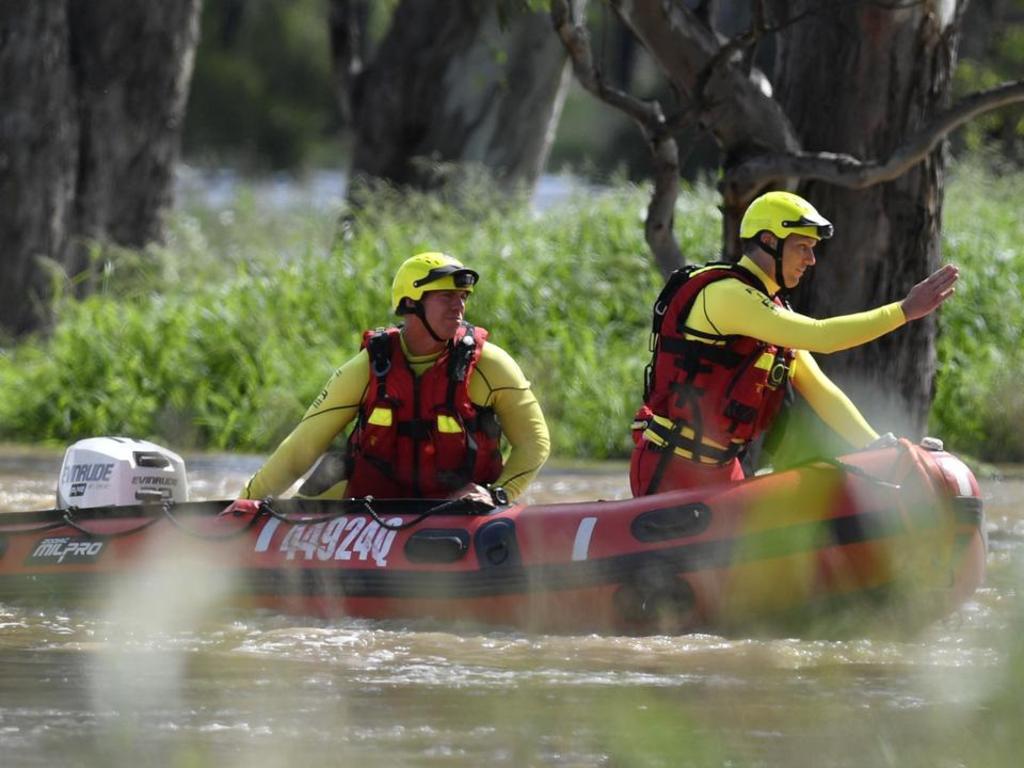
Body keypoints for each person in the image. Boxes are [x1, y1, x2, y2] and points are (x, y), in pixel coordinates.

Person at [629, 190, 959, 496]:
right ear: (770, 241)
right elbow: (822, 336)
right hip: (671, 465)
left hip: (724, 468)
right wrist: (902, 311)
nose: (811, 259)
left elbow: (820, 390)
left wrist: (874, 444)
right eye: (803, 247)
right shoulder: (727, 295)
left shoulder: (773, 313)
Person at [241, 252, 550, 507]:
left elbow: (534, 443)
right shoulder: (367, 368)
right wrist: (244, 505)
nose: (459, 306)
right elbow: (300, 449)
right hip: (373, 512)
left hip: (462, 514)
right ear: (410, 303)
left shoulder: (491, 365)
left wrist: (498, 494)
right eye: (446, 296)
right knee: (327, 476)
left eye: (463, 296)